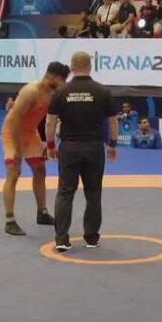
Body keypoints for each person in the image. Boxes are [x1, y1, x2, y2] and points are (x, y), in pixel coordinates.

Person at [45, 51, 118, 252]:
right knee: (93, 193)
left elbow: (50, 122)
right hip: (94, 148)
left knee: (65, 192)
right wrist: (112, 144)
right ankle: (91, 238)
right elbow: (113, 121)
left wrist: (50, 145)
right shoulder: (102, 91)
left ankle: (61, 239)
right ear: (90, 66)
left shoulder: (61, 92)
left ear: (72, 67)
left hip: (69, 147)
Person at [1, 62, 69, 236]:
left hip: (30, 132)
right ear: (52, 77)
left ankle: (42, 212)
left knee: (40, 170)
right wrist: (17, 148)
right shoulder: (31, 91)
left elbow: (48, 118)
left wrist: (48, 142)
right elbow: (15, 119)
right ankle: (9, 220)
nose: (64, 83)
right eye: (62, 80)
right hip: (12, 132)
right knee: (14, 172)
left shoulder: (53, 94)